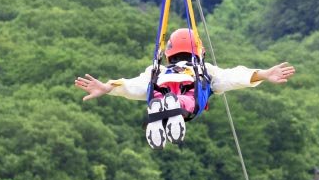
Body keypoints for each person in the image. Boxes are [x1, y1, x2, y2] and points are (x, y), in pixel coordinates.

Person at [74, 28, 296, 148]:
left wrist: (107, 87)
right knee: (190, 100)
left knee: (159, 95)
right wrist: (264, 74)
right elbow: (233, 77)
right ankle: (174, 107)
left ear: (169, 52)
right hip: (189, 88)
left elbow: (133, 86)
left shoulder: (157, 71)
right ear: (198, 50)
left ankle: (159, 111)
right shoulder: (203, 68)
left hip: (162, 87)